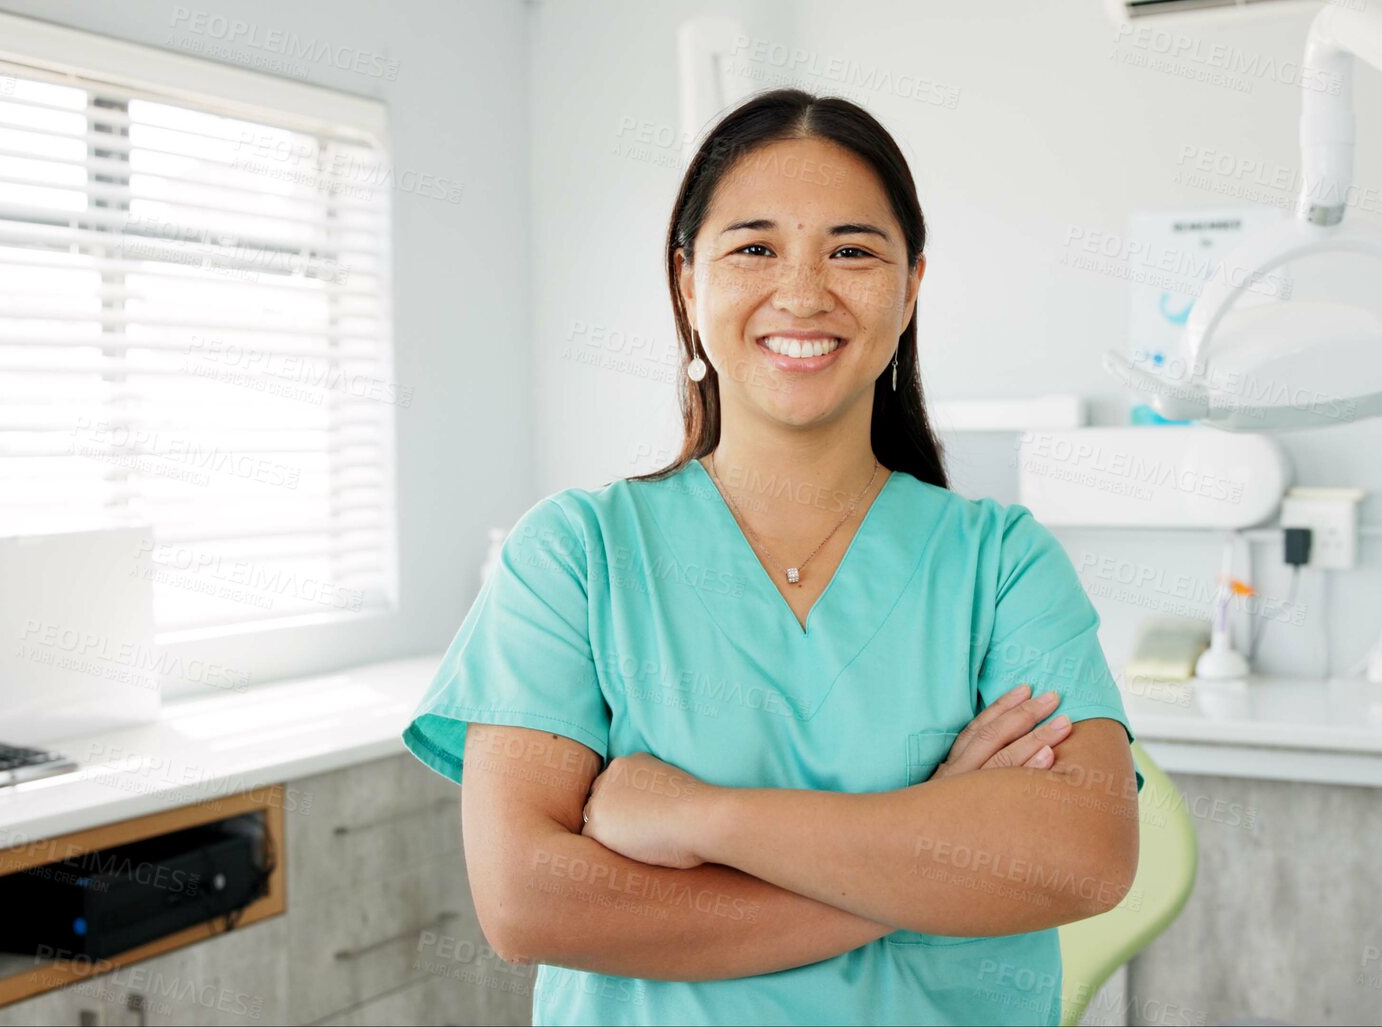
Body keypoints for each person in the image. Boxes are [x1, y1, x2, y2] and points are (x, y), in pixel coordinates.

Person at [403, 88, 1140, 1026]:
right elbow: (528, 902)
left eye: (852, 251)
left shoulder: (1000, 563)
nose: (801, 292)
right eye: (754, 248)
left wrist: (697, 817)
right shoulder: (575, 556)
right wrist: (929, 845)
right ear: (687, 285)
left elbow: (1079, 855)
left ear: (910, 287)